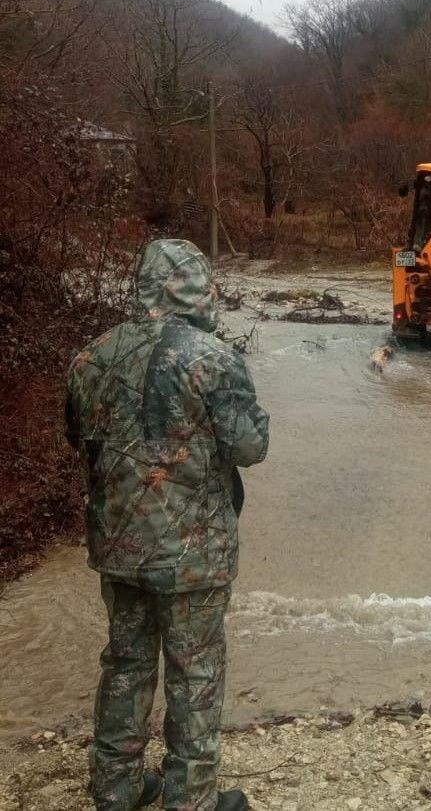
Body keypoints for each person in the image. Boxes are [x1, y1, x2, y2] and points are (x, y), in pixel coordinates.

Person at [66, 239, 270, 811]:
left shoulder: (91, 355)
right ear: (198, 288)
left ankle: (116, 788)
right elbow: (251, 447)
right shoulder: (213, 359)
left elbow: (78, 437)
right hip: (193, 553)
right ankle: (191, 799)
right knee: (195, 672)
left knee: (126, 663)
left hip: (118, 547)